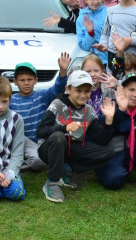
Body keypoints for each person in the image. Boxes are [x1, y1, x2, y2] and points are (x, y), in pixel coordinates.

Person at [36, 70, 118, 203]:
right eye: (78, 90)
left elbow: (101, 140)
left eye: (87, 91)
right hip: (48, 148)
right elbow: (40, 131)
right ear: (68, 89)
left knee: (109, 151)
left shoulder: (89, 110)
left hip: (71, 148)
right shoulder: (57, 104)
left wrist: (109, 120)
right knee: (58, 137)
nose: (83, 95)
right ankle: (53, 182)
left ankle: (66, 170)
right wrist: (64, 128)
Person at [9, 53, 70, 171]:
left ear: (36, 80)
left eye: (29, 80)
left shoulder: (42, 95)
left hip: (41, 142)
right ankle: (20, 160)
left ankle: (22, 163)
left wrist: (62, 72)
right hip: (19, 142)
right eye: (22, 80)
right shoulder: (11, 100)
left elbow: (57, 90)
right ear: (15, 81)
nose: (26, 83)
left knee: (39, 161)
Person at [76, 0, 108, 65]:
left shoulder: (109, 13)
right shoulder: (81, 19)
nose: (96, 2)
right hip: (93, 63)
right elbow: (85, 46)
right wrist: (90, 33)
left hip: (110, 59)